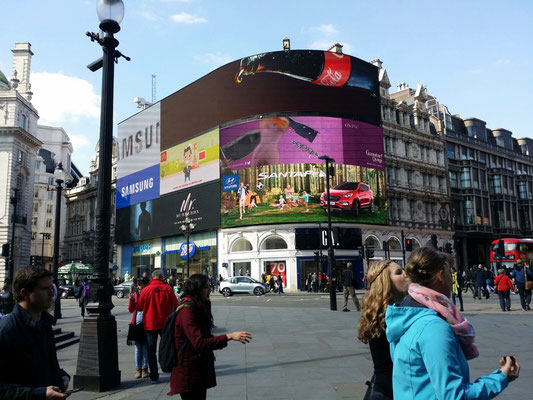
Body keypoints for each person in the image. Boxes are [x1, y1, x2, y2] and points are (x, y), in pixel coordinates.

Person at [385, 247, 520, 399]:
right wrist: (502, 377)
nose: (451, 280)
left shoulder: (404, 316)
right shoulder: (434, 328)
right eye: (450, 274)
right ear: (441, 276)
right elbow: (454, 396)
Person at [169, 274, 252, 399]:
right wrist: (229, 336)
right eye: (206, 287)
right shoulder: (187, 311)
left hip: (197, 369)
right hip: (189, 373)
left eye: (209, 286)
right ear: (197, 289)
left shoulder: (197, 306)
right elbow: (200, 343)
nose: (209, 290)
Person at [0, 266, 70, 399]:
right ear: (25, 293)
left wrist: (60, 375)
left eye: (52, 287)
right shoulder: (7, 330)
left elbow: (42, 365)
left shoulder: (44, 323)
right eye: (45, 288)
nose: (52, 293)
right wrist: (40, 394)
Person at [358, 260, 410, 400]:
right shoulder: (388, 317)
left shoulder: (381, 313)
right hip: (389, 392)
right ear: (385, 282)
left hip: (382, 387)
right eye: (399, 272)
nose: (406, 274)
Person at [136, 269, 178, 384]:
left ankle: (154, 375)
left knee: (151, 350)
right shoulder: (168, 289)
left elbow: (139, 307)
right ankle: (170, 367)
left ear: (152, 278)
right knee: (168, 347)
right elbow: (175, 305)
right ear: (161, 278)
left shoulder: (146, 290)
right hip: (166, 324)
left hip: (150, 324)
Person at [128, 277, 150, 379]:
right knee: (138, 347)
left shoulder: (148, 295)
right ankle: (138, 368)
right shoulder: (135, 295)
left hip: (146, 323)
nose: (138, 287)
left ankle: (145, 368)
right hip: (137, 323)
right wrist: (131, 301)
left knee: (145, 347)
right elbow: (131, 309)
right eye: (137, 285)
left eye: (140, 285)